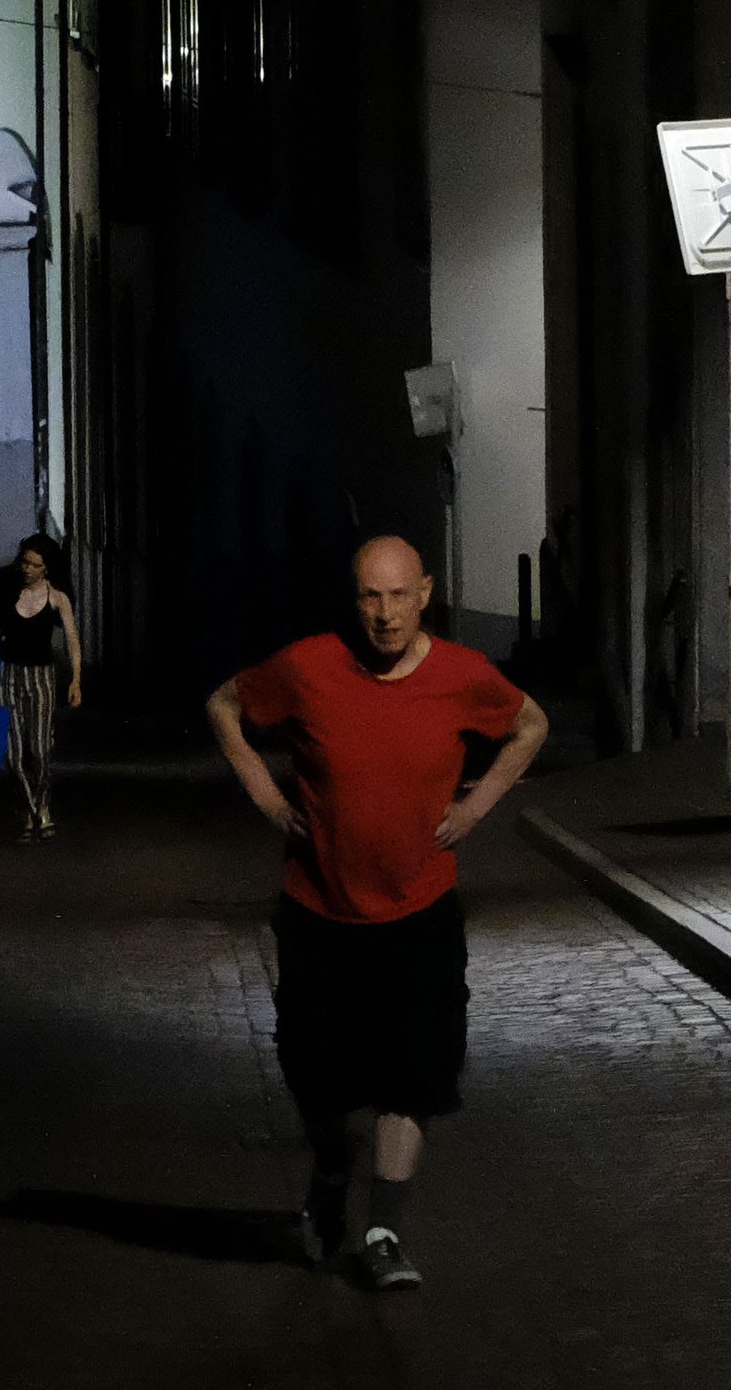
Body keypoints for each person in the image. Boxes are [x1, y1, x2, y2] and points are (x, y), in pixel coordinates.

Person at [208, 532, 548, 1291]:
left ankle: (385, 1228)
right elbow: (225, 705)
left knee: (413, 1074)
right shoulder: (308, 667)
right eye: (370, 596)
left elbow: (531, 726)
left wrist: (477, 804)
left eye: (399, 596)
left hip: (420, 912)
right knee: (317, 1077)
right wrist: (268, 797)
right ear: (353, 597)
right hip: (320, 912)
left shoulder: (463, 675)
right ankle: (331, 1173)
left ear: (425, 593)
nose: (385, 614)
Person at [0, 533, 82, 838]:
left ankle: (42, 807)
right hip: (10, 676)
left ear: (46, 568)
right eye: (24, 562)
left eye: (35, 565)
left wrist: (76, 680)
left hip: (41, 677)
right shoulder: (7, 592)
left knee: (40, 752)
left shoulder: (58, 599)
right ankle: (29, 811)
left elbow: (71, 641)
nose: (27, 569)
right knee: (14, 756)